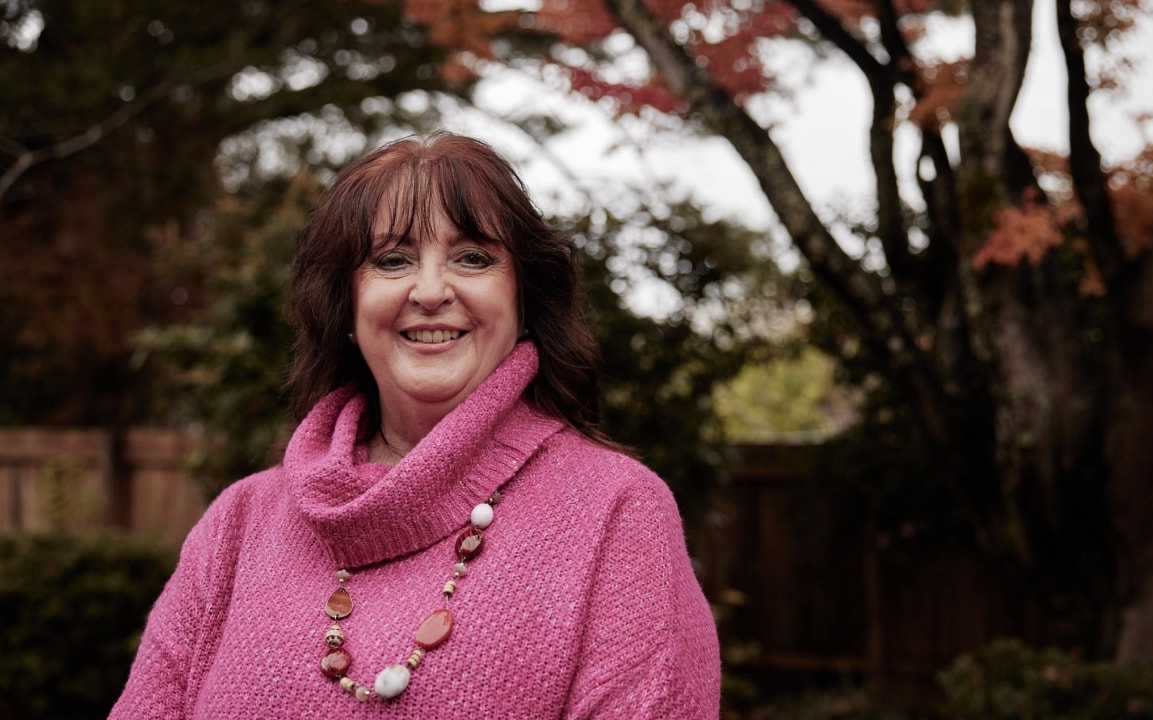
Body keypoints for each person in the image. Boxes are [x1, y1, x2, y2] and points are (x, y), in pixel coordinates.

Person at [110, 131, 721, 718]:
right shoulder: (239, 525)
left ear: (525, 301)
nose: (431, 290)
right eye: (393, 260)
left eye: (472, 257)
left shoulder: (616, 512)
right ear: (346, 309)